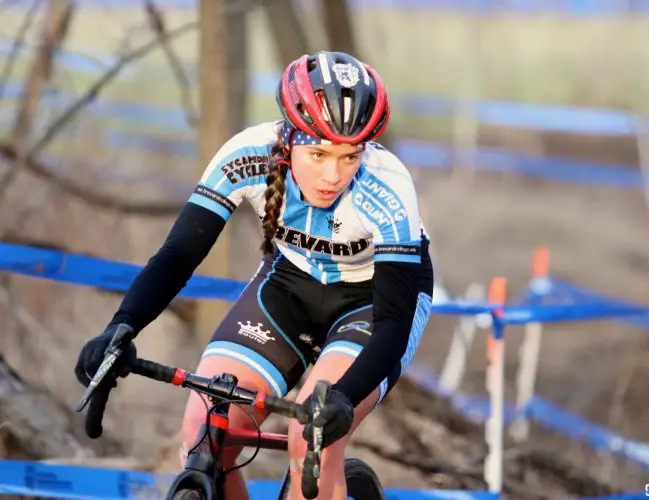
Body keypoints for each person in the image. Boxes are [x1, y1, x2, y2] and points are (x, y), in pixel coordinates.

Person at [74, 50, 434, 500]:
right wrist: (120, 327)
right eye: (318, 152)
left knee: (312, 437)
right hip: (289, 285)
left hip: (370, 302)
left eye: (349, 156)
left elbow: (393, 325)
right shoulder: (247, 155)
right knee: (204, 428)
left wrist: (345, 394)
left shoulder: (389, 185)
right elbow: (178, 256)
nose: (333, 174)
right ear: (290, 136)